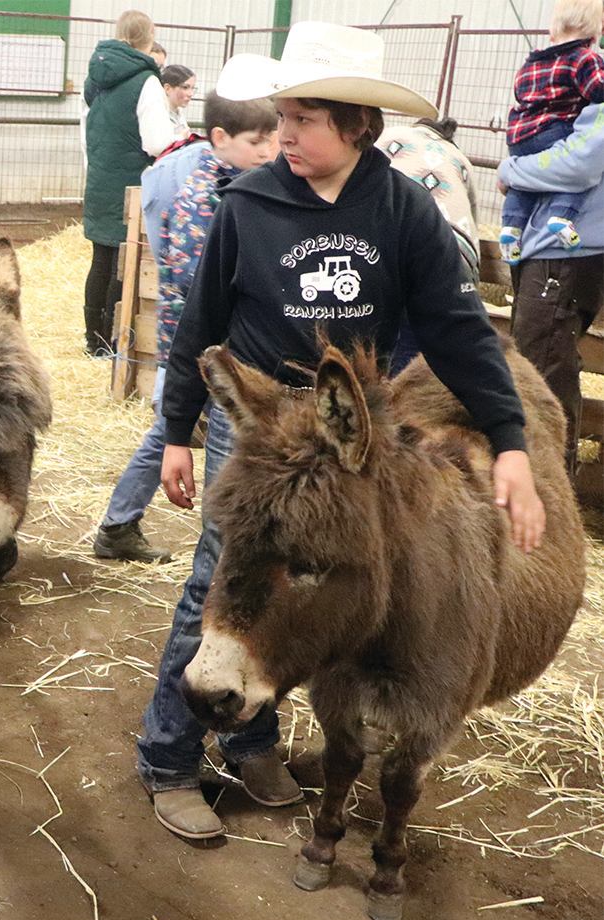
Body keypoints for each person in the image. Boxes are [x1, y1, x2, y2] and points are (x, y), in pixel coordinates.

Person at [139, 22, 546, 842]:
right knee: (222, 581)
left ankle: (256, 740)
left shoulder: (402, 210)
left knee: (334, 590)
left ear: (359, 124)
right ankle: (169, 759)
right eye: (282, 115)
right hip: (259, 423)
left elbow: (460, 332)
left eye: (306, 118)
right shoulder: (248, 205)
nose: (285, 132)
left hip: (355, 431)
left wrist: (511, 441)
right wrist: (176, 427)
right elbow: (198, 325)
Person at [93, 92, 276, 565]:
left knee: (172, 430)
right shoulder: (206, 201)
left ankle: (119, 522)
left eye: (272, 138)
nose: (269, 149)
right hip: (203, 349)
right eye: (257, 141)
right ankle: (121, 525)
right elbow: (204, 293)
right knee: (172, 430)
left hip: (211, 347)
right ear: (220, 138)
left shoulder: (230, 185)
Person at [500, 102, 604, 473]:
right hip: (556, 250)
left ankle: (548, 488)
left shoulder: (595, 90)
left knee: (539, 371)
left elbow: (580, 164)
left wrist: (512, 170)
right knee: (547, 361)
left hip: (564, 253)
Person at [82, 10, 180, 357]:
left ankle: (93, 340)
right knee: (125, 263)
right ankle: (113, 339)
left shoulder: (96, 77)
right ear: (149, 37)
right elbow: (156, 142)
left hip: (99, 179)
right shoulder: (146, 81)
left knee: (102, 260)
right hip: (130, 184)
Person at [498, 0, 604, 264]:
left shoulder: (530, 63)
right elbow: (597, 91)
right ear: (594, 35)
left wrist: (510, 169)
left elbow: (520, 95)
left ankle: (510, 228)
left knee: (524, 185)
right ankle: (562, 216)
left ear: (552, 32)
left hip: (519, 135)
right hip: (552, 130)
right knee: (570, 177)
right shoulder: (584, 59)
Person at [380, 116, 481, 373]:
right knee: (421, 350)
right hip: (454, 256)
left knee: (395, 339)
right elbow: (472, 219)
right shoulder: (460, 159)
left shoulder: (393, 136)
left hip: (399, 247)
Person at [160, 64, 196, 139]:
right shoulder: (157, 113)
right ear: (167, 89)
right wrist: (181, 138)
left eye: (193, 88)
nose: (191, 94)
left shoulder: (179, 112)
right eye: (185, 87)